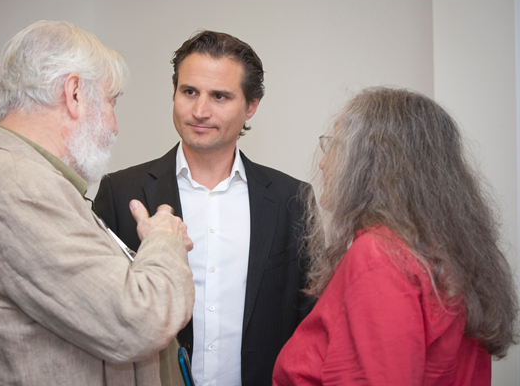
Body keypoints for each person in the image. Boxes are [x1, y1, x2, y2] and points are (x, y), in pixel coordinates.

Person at [0, 20, 195, 386]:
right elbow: (138, 320)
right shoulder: (22, 188)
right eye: (110, 102)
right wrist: (164, 239)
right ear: (73, 94)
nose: (115, 126)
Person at [94, 30, 313, 386]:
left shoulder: (293, 199)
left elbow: (308, 321)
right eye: (189, 92)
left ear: (251, 106)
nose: (199, 111)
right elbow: (100, 312)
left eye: (220, 96)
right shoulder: (122, 192)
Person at [272, 87, 519, 385]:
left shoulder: (380, 255)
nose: (323, 163)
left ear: (371, 161)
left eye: (335, 146)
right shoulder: (443, 249)